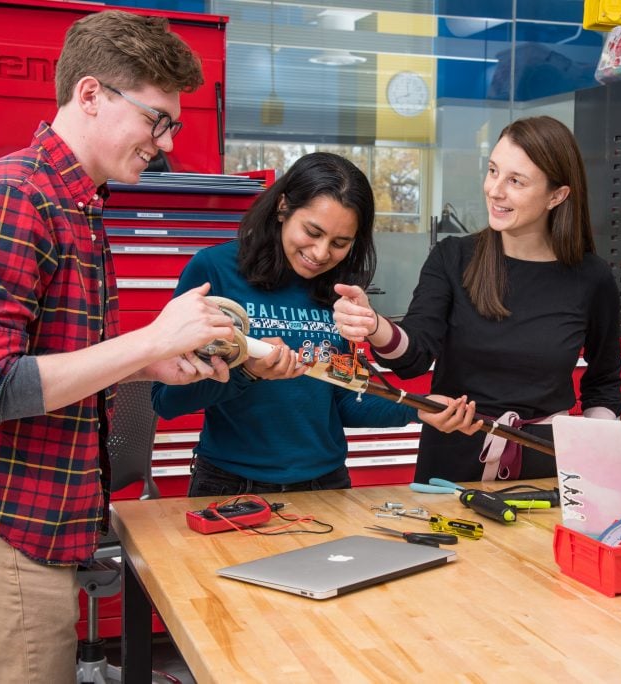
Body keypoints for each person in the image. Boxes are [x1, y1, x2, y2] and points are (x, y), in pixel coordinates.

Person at [0, 11, 236, 681]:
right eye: (157, 119)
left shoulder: (73, 204)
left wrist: (144, 360)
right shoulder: (13, 199)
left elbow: (45, 363)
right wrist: (147, 338)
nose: (166, 142)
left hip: (29, 515)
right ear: (90, 94)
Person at [333, 116, 621, 483]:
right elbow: (414, 358)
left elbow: (604, 383)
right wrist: (376, 327)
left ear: (557, 195)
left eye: (515, 181)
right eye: (492, 171)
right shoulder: (453, 258)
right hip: (450, 460)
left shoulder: (591, 277)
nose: (495, 190)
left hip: (545, 466)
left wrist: (591, 455)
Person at [152, 152, 432, 496]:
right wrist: (247, 371)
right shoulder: (214, 270)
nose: (320, 253)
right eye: (312, 232)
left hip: (326, 486)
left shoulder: (337, 288)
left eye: (339, 243)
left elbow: (344, 400)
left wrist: (421, 409)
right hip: (231, 487)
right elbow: (167, 401)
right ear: (283, 207)